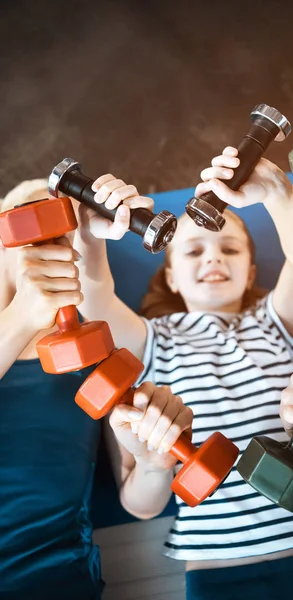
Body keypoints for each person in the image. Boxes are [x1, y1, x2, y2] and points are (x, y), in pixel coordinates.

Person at [74, 148, 293, 600]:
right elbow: (96, 299)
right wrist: (89, 236)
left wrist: (280, 195)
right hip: (216, 567)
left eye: (230, 247)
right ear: (172, 279)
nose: (213, 258)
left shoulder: (273, 320)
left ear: (250, 274)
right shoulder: (152, 340)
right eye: (194, 250)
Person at [0, 180, 193, 600]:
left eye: (62, 235)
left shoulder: (93, 357)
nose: (48, 246)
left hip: (63, 581)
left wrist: (153, 465)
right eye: (30, 226)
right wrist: (19, 319)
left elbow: (142, 504)